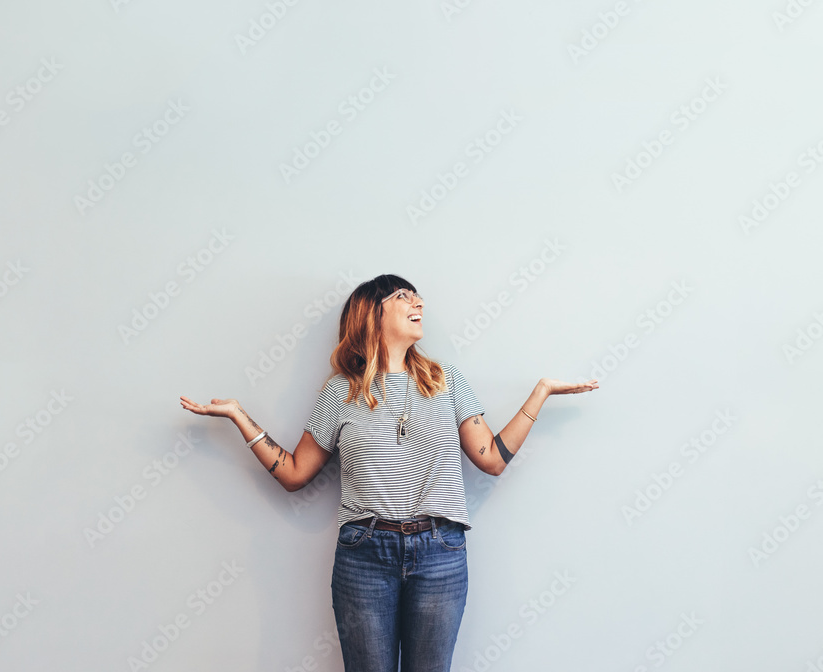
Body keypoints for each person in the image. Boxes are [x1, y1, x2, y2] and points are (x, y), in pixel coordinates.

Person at [180, 273, 598, 672]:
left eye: (416, 295)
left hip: (441, 553)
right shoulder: (339, 392)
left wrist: (540, 394)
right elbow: (294, 473)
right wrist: (239, 415)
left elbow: (490, 459)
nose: (418, 301)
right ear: (370, 314)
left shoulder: (446, 381)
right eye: (402, 296)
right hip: (364, 554)